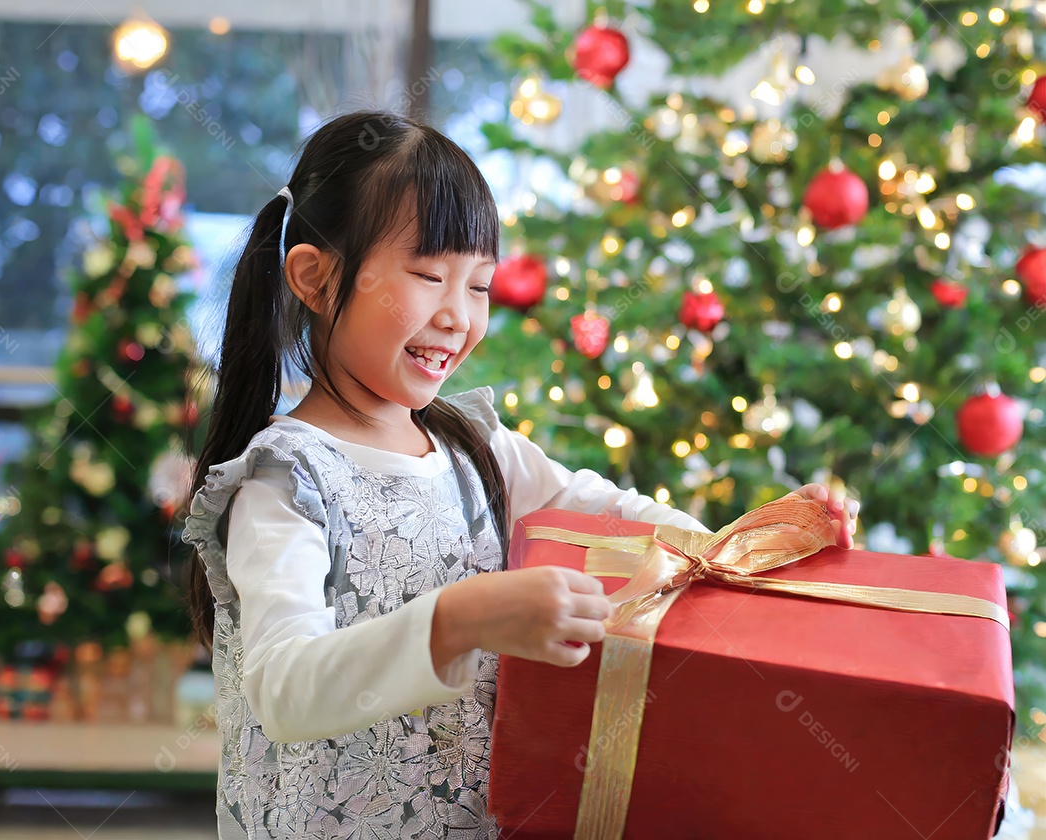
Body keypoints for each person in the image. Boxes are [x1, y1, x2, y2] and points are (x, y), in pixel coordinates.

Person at [181, 110, 858, 839]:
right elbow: (287, 691)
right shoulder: (285, 481)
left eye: (479, 286)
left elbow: (606, 511)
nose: (457, 315)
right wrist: (462, 617)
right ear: (315, 278)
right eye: (428, 275)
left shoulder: (474, 447)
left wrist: (747, 540)